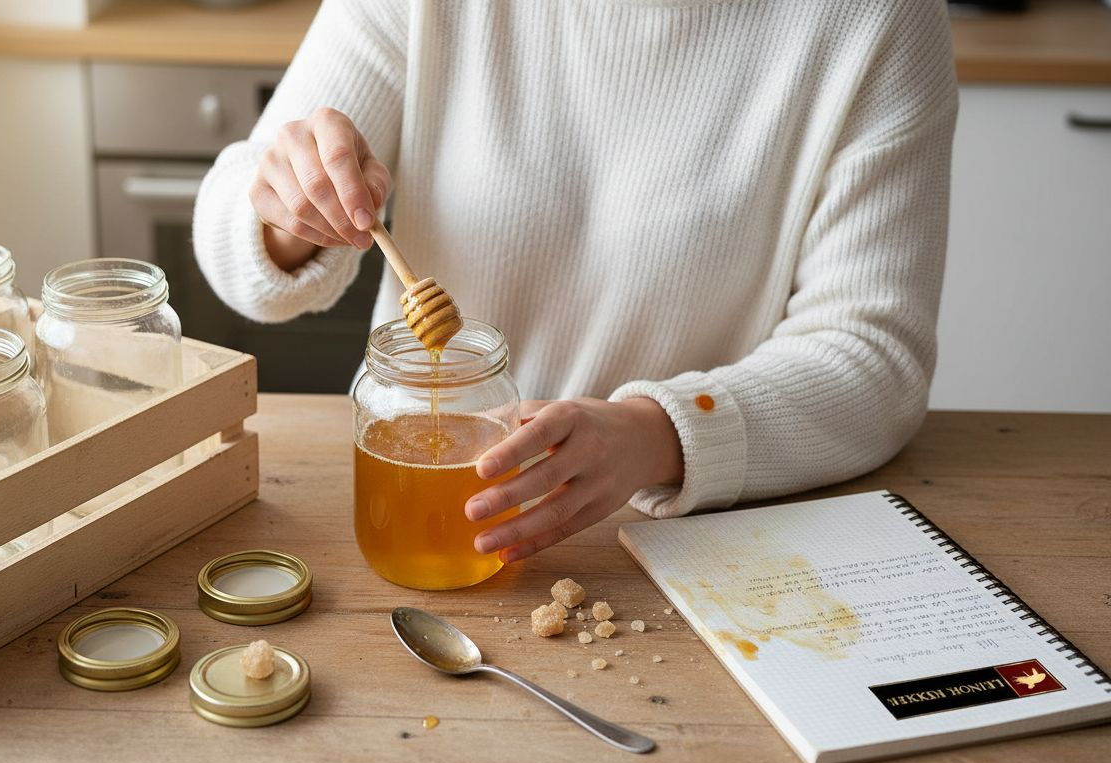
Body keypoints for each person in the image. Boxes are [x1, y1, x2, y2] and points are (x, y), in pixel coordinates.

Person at [193, 0, 957, 564]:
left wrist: (655, 436)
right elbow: (239, 257)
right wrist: (289, 213)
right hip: (430, 529)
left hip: (683, 549)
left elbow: (874, 357)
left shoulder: (879, 20)